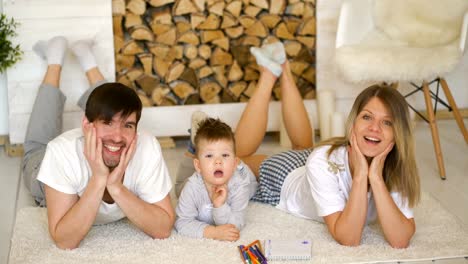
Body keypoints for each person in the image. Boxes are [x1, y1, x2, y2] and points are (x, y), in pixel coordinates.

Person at [236, 42, 421, 248]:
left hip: (317, 163)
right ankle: (269, 77)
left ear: (399, 134)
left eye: (387, 122)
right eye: (367, 117)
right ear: (354, 121)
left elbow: (401, 239)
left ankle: (282, 69)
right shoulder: (323, 161)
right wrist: (361, 175)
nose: (374, 128)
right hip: (287, 176)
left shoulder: (396, 167)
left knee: (303, 146)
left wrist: (375, 177)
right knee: (235, 158)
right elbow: (349, 238)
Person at [22, 36, 175, 249]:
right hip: (47, 165)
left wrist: (115, 186)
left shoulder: (146, 146)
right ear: (87, 125)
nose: (118, 135)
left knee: (111, 108)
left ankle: (88, 61)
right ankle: (54, 62)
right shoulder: (59, 152)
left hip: (87, 150)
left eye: (128, 126)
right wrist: (98, 179)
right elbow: (65, 240)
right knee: (37, 146)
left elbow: (163, 228)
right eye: (107, 123)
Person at [175, 117, 257, 241]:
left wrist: (220, 206)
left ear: (234, 163)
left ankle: (206, 152)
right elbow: (182, 222)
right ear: (198, 165)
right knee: (179, 188)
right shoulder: (192, 187)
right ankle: (192, 149)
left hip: (244, 174)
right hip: (199, 176)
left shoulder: (240, 185)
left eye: (224, 155)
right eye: (209, 155)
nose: (218, 161)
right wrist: (212, 232)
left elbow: (236, 224)